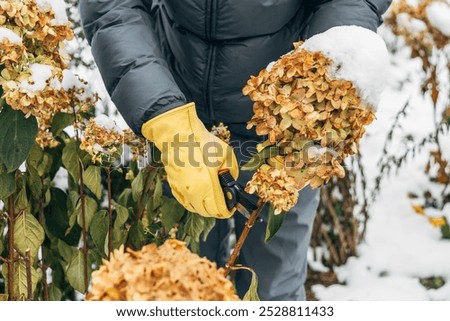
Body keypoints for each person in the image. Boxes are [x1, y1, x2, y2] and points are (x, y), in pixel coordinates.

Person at [79, 0, 391, 300]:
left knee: (272, 292)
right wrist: (165, 118)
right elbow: (111, 6)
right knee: (176, 280)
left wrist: (314, 89)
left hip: (281, 125)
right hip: (175, 98)